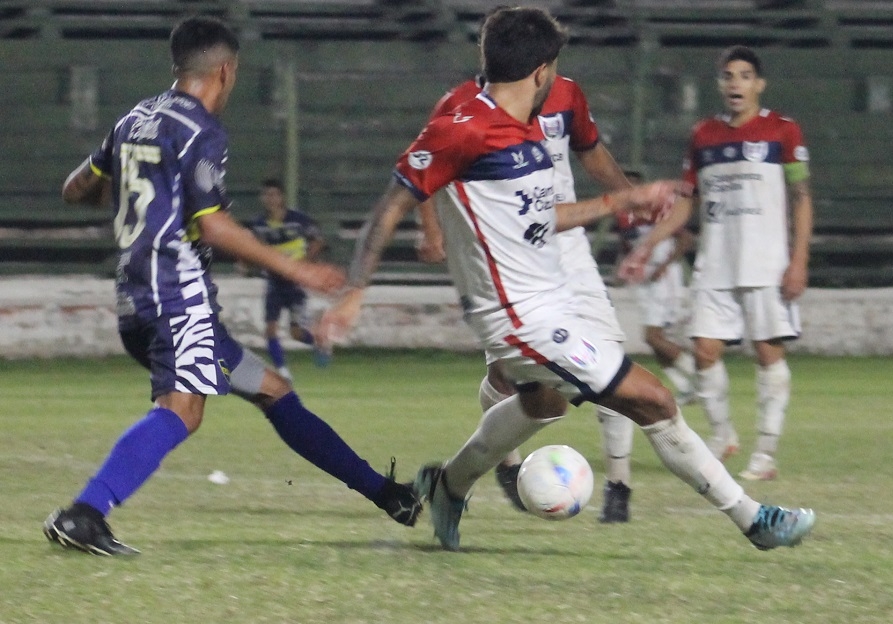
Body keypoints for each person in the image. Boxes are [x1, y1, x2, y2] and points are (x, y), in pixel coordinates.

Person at [319, 6, 815, 552]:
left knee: (545, 405)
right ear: (541, 72)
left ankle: (447, 485)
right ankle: (755, 520)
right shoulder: (462, 127)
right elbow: (390, 205)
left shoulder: (523, 133)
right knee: (653, 399)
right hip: (521, 319)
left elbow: (540, 216)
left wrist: (624, 199)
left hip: (549, 297)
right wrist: (354, 292)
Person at [43, 16, 420, 557]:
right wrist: (300, 270)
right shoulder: (200, 130)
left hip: (137, 295)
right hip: (177, 296)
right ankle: (84, 514)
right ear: (226, 70)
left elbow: (74, 188)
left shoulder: (134, 118)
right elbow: (215, 227)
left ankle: (386, 494)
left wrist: (138, 191)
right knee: (183, 410)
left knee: (273, 390)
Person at [416, 71, 639, 523]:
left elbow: (592, 154)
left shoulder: (568, 93)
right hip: (508, 256)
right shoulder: (461, 103)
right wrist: (432, 229)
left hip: (568, 245)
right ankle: (504, 460)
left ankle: (619, 485)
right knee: (510, 381)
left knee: (610, 360)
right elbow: (423, 169)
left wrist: (629, 198)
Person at [620, 45, 814, 481]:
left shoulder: (783, 131)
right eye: (728, 76)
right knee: (705, 351)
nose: (735, 84)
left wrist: (799, 259)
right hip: (716, 262)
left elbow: (801, 198)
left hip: (766, 261)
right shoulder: (703, 135)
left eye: (744, 76)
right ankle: (723, 435)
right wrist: (646, 245)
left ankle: (765, 452)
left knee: (767, 352)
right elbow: (685, 204)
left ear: (759, 84)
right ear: (720, 84)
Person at [615, 171, 698, 407]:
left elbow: (686, 239)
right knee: (653, 340)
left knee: (653, 336)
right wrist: (622, 268)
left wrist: (664, 265)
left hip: (663, 276)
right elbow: (626, 245)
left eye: (634, 185)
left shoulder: (658, 208)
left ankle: (701, 379)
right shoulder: (623, 215)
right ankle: (688, 388)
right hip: (644, 280)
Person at [244, 178, 331, 374]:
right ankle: (282, 371)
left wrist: (304, 263)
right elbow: (253, 248)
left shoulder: (297, 220)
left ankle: (319, 341)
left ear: (281, 197)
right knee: (270, 329)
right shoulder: (259, 224)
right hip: (274, 281)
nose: (270, 199)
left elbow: (318, 240)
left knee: (297, 333)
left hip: (295, 282)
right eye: (266, 195)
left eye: (274, 194)